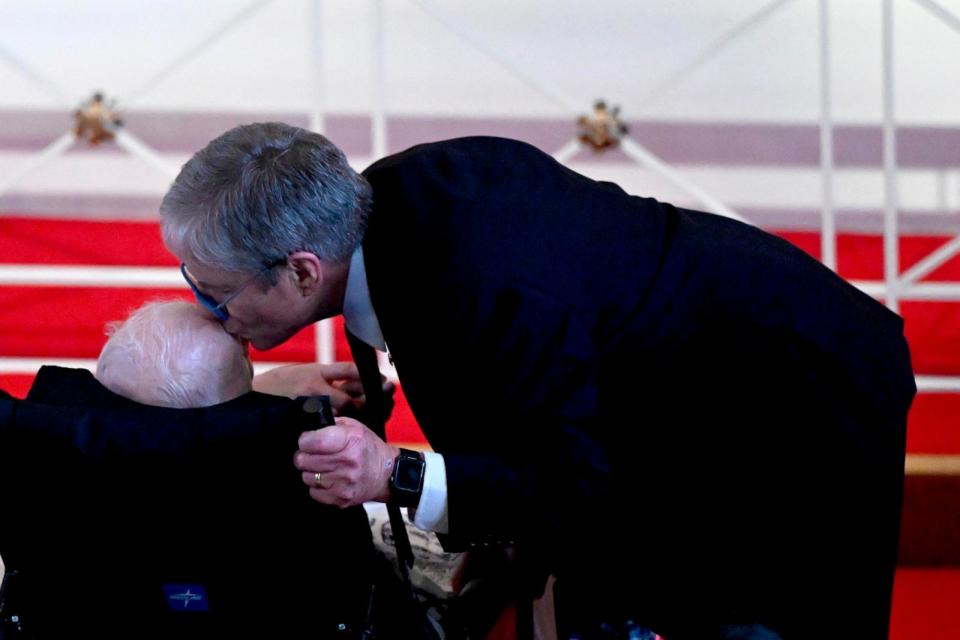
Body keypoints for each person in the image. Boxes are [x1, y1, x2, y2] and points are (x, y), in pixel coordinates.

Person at [159, 123, 916, 640]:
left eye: (214, 294)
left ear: (300, 270)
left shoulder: (478, 284)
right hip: (679, 384)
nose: (214, 314)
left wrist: (395, 471)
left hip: (790, 409)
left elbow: (574, 478)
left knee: (759, 616)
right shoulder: (378, 210)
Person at [1, 300, 417, 639]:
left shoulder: (42, 462)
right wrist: (264, 404)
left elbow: (161, 435)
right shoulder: (303, 468)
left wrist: (259, 393)